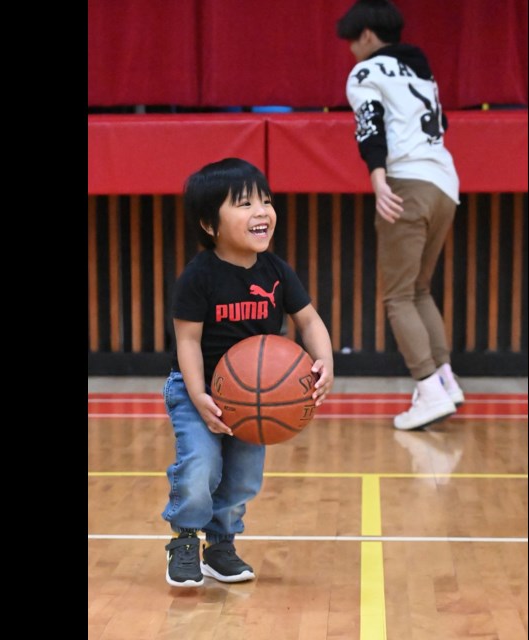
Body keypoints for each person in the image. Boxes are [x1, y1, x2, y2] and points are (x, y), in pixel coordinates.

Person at [162, 157, 335, 588]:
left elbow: (309, 321)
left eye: (266, 201)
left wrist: (326, 362)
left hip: (256, 398)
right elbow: (186, 341)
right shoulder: (197, 278)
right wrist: (199, 395)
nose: (261, 212)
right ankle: (185, 540)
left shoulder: (276, 271)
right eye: (244, 204)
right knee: (200, 465)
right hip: (197, 387)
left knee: (242, 477)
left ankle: (220, 545)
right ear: (209, 223)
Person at [336, 0, 466, 431]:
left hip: (406, 183)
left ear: (368, 35)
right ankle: (446, 381)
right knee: (418, 289)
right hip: (445, 183)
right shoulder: (420, 67)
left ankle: (427, 389)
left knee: (396, 296)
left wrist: (377, 178)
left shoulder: (365, 72)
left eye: (353, 40)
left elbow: (370, 125)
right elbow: (438, 119)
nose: (351, 49)